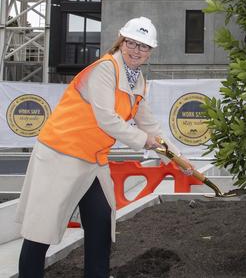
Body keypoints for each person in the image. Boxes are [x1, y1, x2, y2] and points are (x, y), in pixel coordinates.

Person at [15, 17, 191, 278]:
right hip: (61, 153)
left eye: (143, 47)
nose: (136, 50)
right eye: (131, 42)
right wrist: (144, 141)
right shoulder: (104, 70)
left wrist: (179, 158)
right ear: (121, 41)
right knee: (41, 231)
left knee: (99, 223)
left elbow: (150, 125)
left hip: (92, 161)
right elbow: (107, 120)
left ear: (150, 52)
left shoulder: (137, 80)